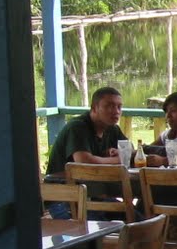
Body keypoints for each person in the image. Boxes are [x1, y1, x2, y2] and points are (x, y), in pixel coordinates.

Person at [45, 86, 128, 219]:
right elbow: (84, 161)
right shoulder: (78, 127)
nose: (116, 111)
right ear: (94, 108)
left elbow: (130, 150)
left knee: (140, 222)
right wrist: (118, 159)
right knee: (98, 230)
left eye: (119, 107)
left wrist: (119, 152)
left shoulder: (112, 129)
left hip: (94, 195)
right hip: (64, 198)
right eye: (109, 106)